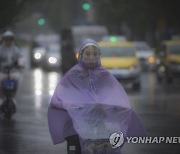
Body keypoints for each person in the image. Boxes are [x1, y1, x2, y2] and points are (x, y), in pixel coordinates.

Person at [48, 39, 147, 154]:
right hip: (75, 127)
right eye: (88, 54)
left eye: (95, 54)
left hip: (101, 126)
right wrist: (71, 105)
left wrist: (114, 108)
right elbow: (59, 98)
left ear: (99, 56)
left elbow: (115, 97)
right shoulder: (72, 75)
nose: (91, 57)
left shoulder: (105, 75)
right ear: (81, 55)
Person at [0, 31, 24, 102]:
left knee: (19, 79)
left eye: (10, 39)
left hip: (13, 71)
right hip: (2, 71)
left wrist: (20, 64)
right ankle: (1, 98)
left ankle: (13, 96)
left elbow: (21, 58)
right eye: (6, 39)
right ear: (4, 40)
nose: (8, 41)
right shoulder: (0, 49)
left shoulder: (16, 49)